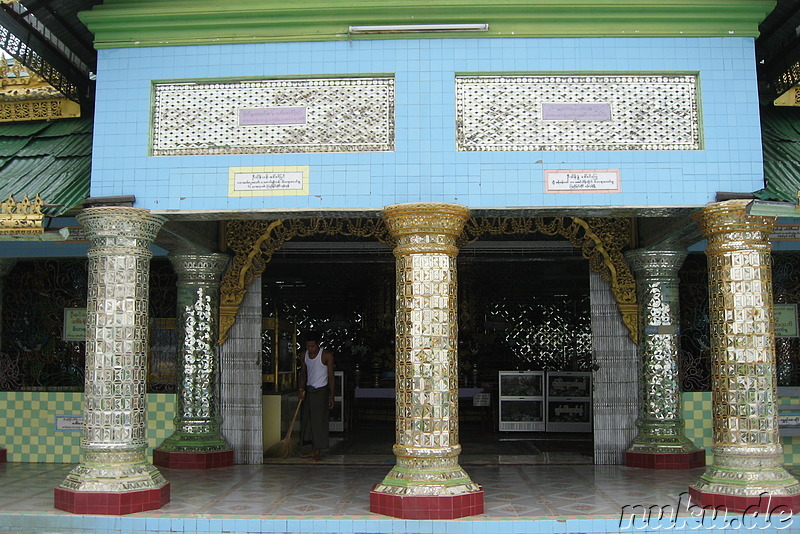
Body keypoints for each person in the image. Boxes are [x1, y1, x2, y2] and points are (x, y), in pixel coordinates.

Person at [298, 332, 335, 462]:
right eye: (308, 347)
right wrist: (301, 389)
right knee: (309, 421)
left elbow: (331, 376)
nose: (310, 349)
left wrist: (331, 396)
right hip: (309, 391)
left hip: (321, 392)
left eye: (313, 346)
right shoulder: (304, 356)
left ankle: (318, 451)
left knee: (319, 422)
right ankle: (313, 450)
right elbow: (303, 373)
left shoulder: (326, 355)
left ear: (318, 344)